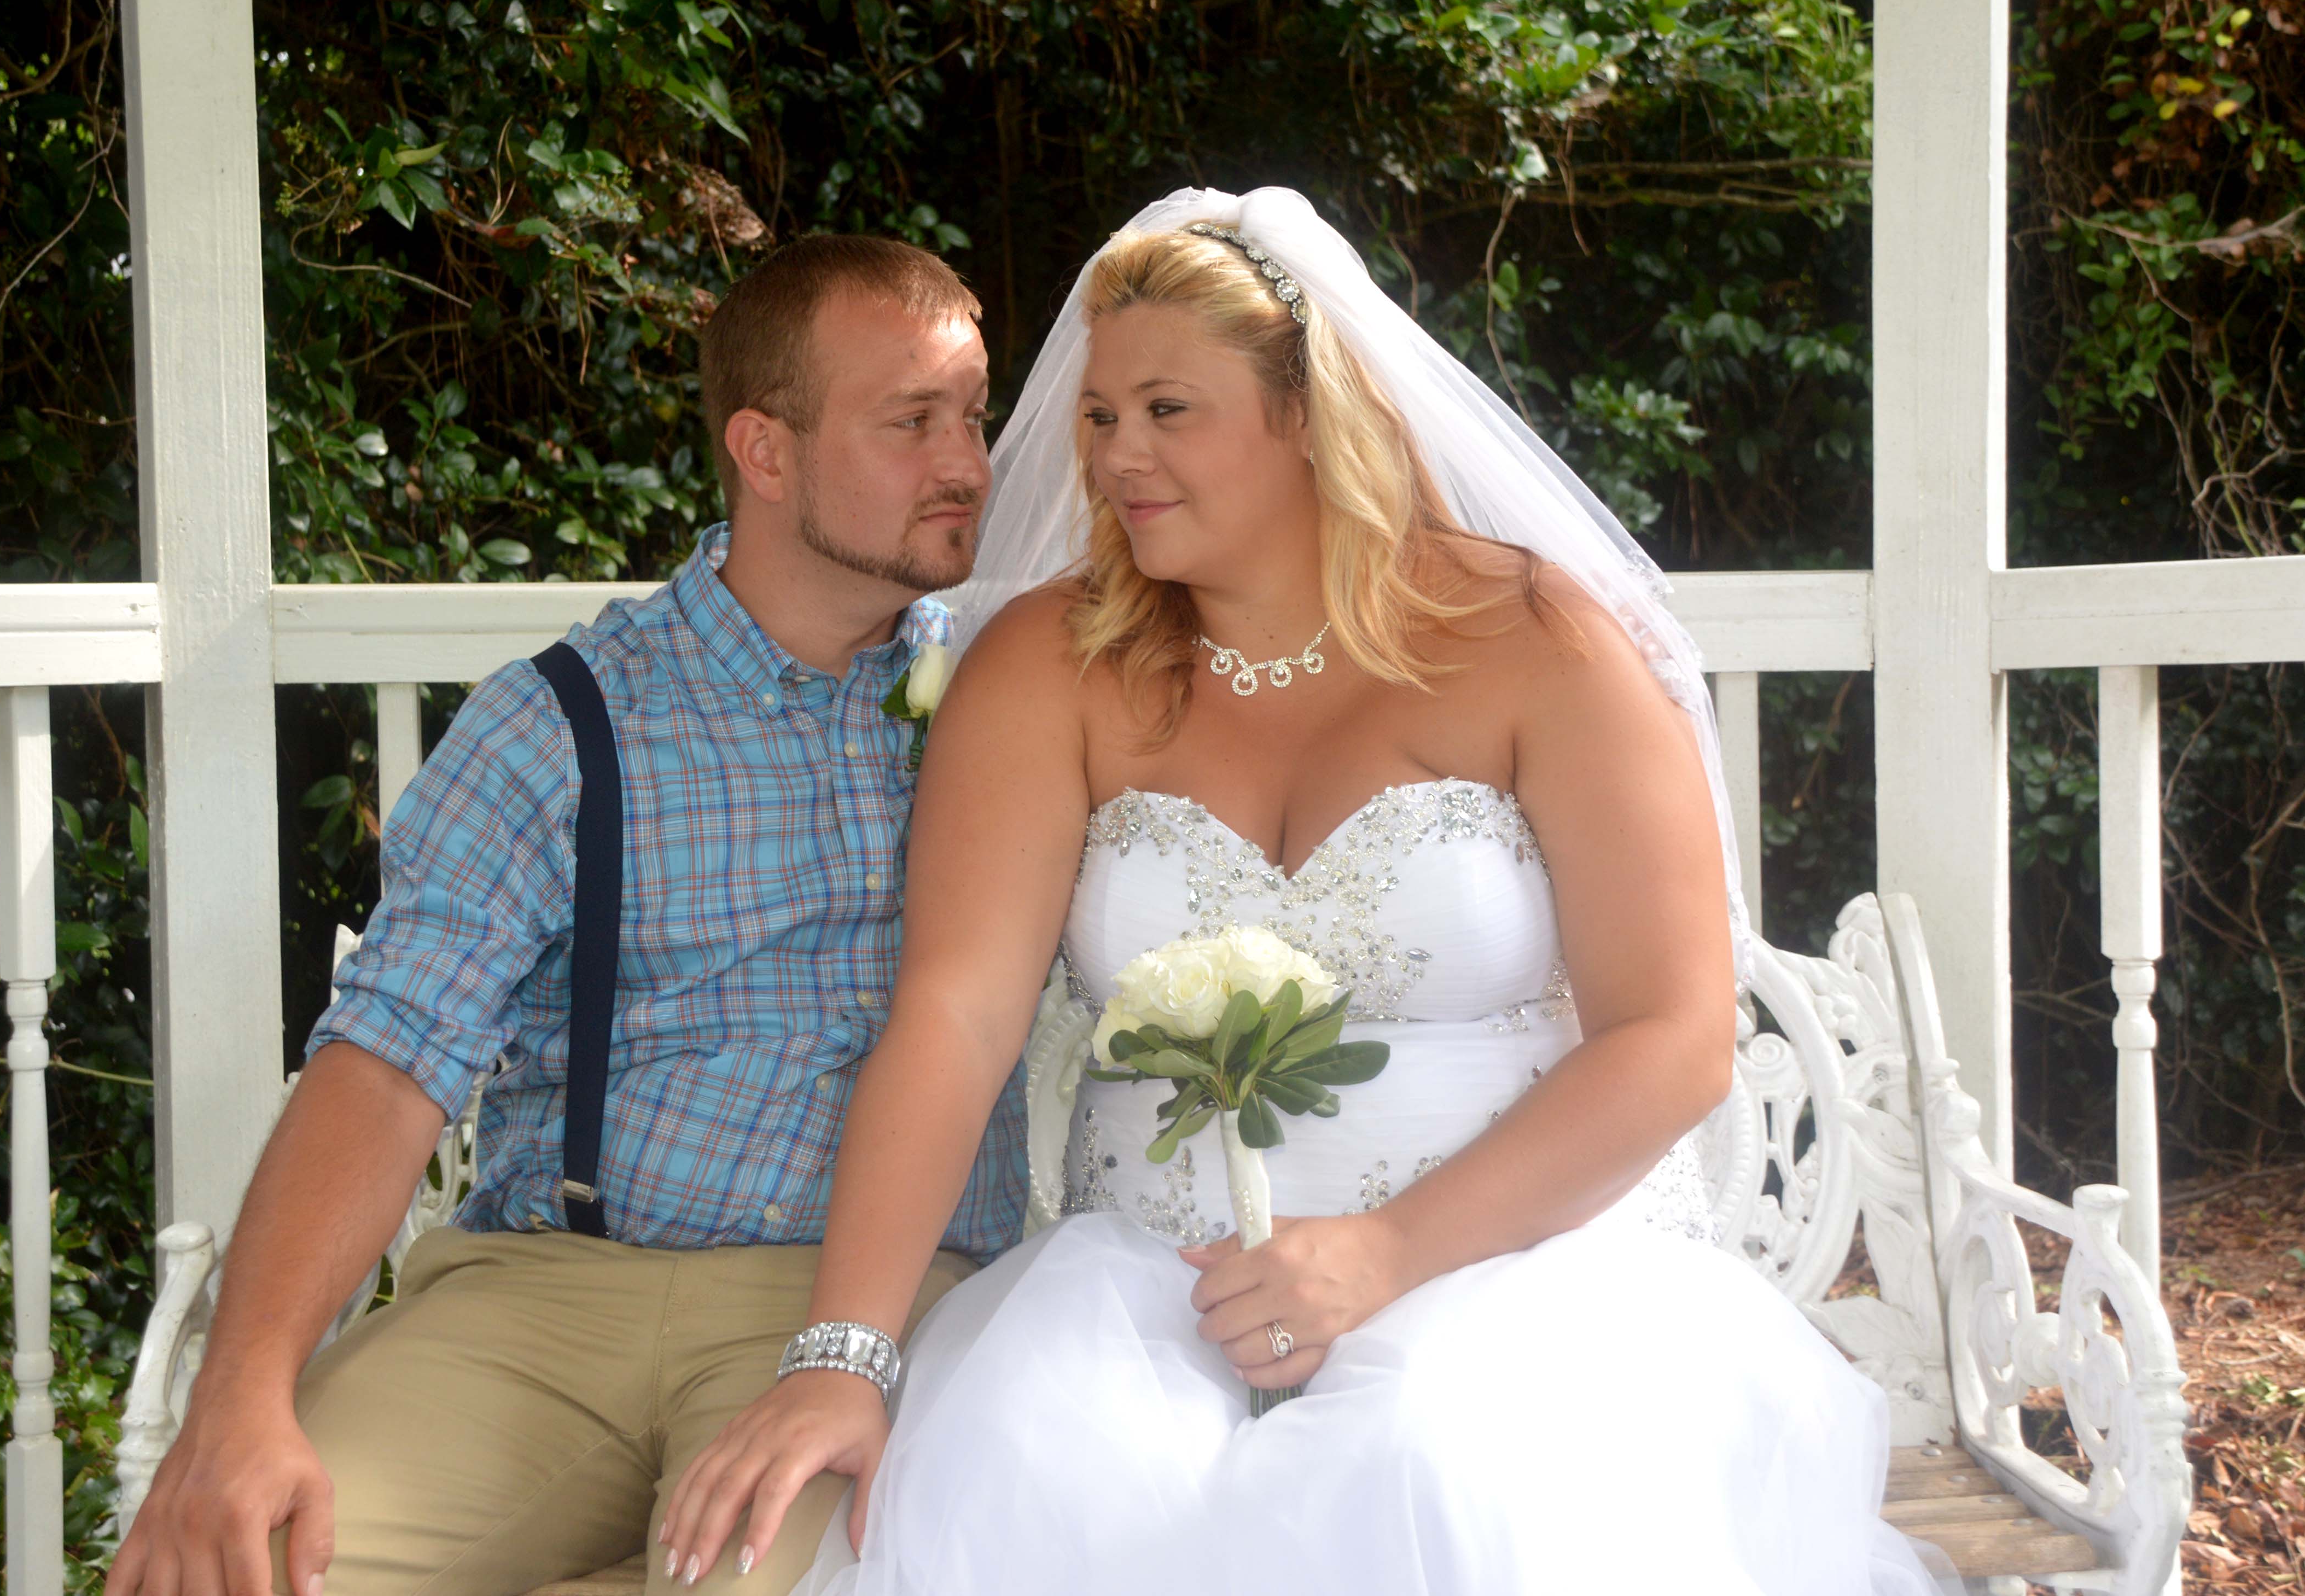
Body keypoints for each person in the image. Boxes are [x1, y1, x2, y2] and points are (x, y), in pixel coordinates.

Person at [656, 188, 1958, 1594]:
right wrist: (842, 1358)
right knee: (1054, 1484)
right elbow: (958, 1015)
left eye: (1170, 410)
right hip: (1147, 1302)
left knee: (1440, 1482)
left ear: (1309, 412)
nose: (1115, 458)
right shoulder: (1048, 662)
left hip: (1514, 1285)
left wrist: (1384, 1255)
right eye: (1099, 417)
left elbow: (1676, 1035)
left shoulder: (1529, 639)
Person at [105, 233, 1024, 1596]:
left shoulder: (1020, 702)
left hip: (859, 1308)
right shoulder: (562, 722)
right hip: (543, 1301)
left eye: (973, 416)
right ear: (763, 452)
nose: (966, 464)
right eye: (911, 422)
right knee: (239, 1570)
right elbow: (387, 1059)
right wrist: (243, 1394)